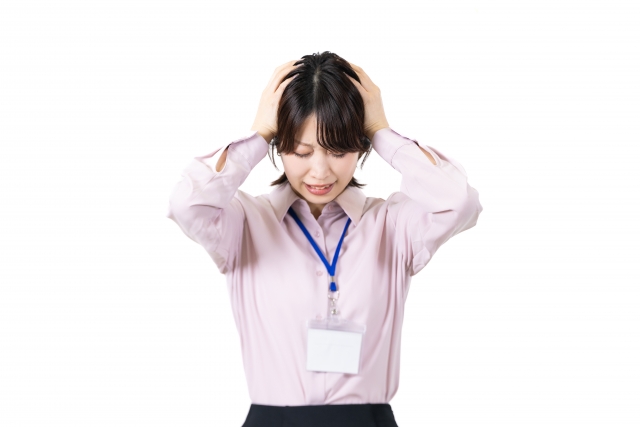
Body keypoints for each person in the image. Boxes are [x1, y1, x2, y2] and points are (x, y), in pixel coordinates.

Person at [166, 51, 483, 427]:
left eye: (338, 150)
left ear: (361, 146)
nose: (320, 171)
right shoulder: (245, 223)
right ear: (279, 145)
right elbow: (186, 204)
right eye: (301, 151)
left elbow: (459, 202)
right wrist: (259, 134)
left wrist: (381, 131)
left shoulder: (392, 225)